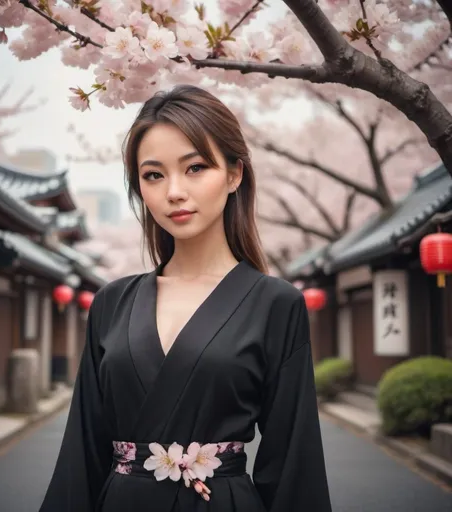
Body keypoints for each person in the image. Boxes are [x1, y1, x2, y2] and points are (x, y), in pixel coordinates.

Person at [39, 85, 332, 512]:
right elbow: (82, 452)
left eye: (195, 168)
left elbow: (293, 465)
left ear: (234, 174)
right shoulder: (111, 303)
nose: (173, 191)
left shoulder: (276, 304)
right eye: (153, 175)